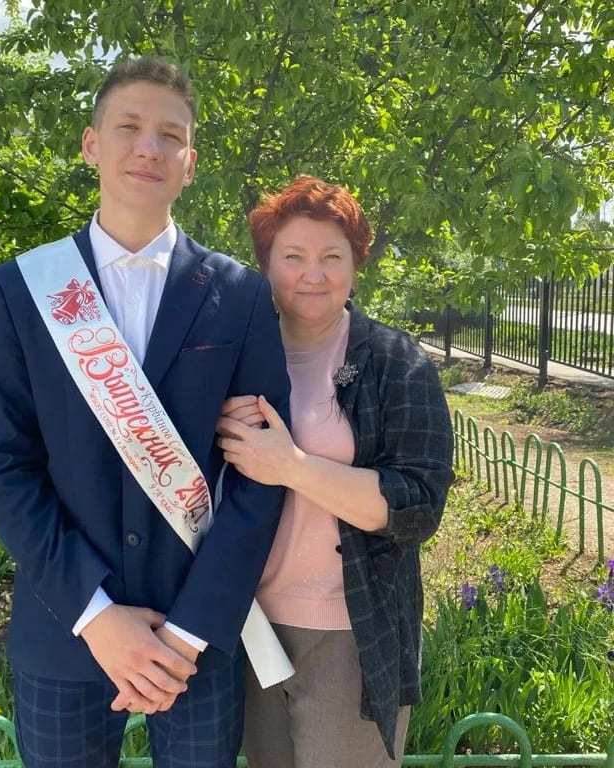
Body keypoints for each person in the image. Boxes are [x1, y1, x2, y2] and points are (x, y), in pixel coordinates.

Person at [0, 56, 290, 768]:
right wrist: (97, 616)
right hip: (67, 628)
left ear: (190, 163)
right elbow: (5, 466)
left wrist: (190, 629)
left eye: (170, 135)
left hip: (196, 637)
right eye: (129, 127)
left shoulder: (239, 295)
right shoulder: (23, 289)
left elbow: (260, 476)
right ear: (91, 144)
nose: (149, 147)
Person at [216, 175, 455, 768]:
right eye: (293, 256)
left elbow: (418, 504)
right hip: (249, 623)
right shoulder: (230, 357)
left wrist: (292, 466)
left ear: (356, 264)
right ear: (266, 265)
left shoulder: (395, 361)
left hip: (350, 627)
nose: (313, 274)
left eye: (332, 256)